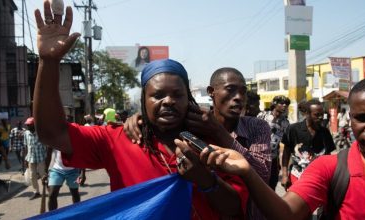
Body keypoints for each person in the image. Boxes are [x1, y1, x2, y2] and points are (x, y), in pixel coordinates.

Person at [33, 3, 247, 218]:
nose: (169, 101)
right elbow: (52, 133)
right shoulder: (118, 139)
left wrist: (206, 180)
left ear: (188, 99)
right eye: (158, 95)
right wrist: (49, 62)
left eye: (178, 94)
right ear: (143, 102)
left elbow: (236, 209)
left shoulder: (211, 142)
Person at [187, 77, 365, 219]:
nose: (238, 98)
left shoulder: (260, 126)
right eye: (362, 118)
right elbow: (287, 210)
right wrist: (281, 171)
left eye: (242, 92)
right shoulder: (327, 167)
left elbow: (261, 171)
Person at [124, 67, 271, 220]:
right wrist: (143, 117)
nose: (238, 97)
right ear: (211, 91)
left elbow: (262, 175)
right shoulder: (194, 128)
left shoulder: (257, 127)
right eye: (231, 90)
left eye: (243, 92)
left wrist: (219, 132)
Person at [281, 99, 336, 189]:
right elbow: (286, 153)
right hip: (297, 176)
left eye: (322, 114)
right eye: (317, 115)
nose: (321, 117)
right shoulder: (293, 129)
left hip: (319, 178)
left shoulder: (324, 132)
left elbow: (328, 156)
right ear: (307, 114)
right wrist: (284, 175)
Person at [257, 95, 290, 190]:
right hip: (259, 156)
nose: (284, 106)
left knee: (272, 184)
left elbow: (285, 144)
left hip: (273, 159)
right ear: (274, 104)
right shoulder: (262, 115)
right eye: (282, 103)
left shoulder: (286, 123)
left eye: (286, 104)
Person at [24, 117, 47, 200]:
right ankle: (36, 192)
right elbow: (26, 146)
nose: (27, 126)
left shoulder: (41, 132)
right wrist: (25, 159)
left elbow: (46, 145)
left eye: (29, 125)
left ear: (34, 125)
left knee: (43, 175)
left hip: (41, 157)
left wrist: (47, 159)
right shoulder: (26, 133)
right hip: (31, 157)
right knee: (32, 176)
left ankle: (48, 189)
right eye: (27, 125)